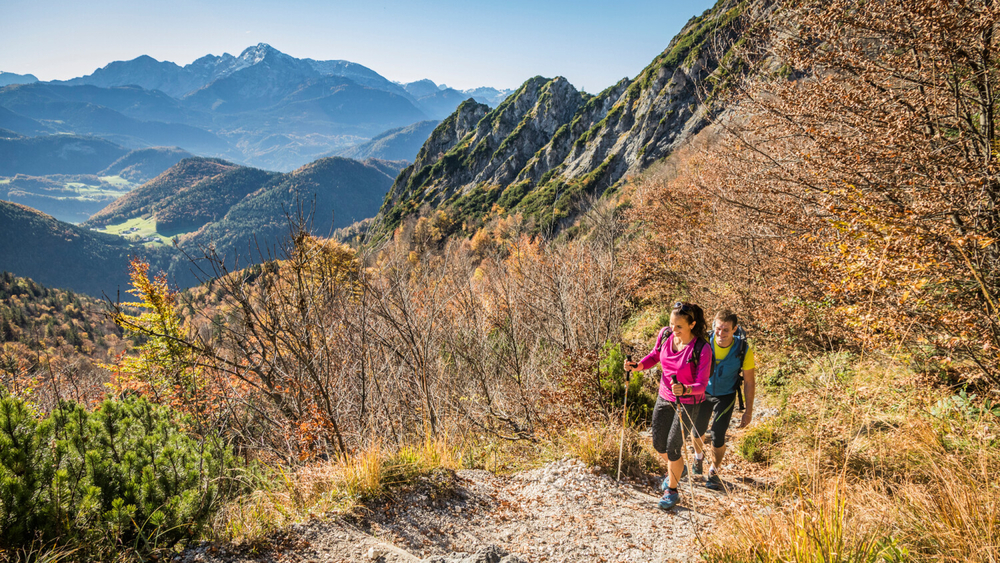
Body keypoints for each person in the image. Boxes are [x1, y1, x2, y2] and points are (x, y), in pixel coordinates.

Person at [624, 301, 711, 510]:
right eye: (671, 324)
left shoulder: (701, 348)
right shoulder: (665, 335)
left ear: (692, 325)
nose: (673, 329)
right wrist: (638, 366)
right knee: (658, 444)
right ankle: (677, 468)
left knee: (673, 448)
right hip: (664, 396)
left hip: (687, 402)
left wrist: (686, 389)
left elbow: (702, 384)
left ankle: (671, 490)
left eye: (679, 326)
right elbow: (655, 356)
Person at [691, 309, 756, 490]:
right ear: (713, 326)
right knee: (696, 430)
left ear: (735, 329)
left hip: (726, 395)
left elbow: (750, 382)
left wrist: (748, 412)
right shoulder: (703, 344)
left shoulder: (743, 349)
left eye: (726, 329)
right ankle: (698, 457)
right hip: (702, 392)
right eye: (718, 328)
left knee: (718, 435)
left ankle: (714, 471)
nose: (721, 333)